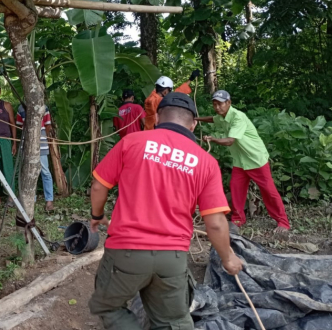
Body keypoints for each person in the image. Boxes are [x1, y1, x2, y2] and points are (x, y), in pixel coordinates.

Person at [88, 92, 243, 329]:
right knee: (173, 321)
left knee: (107, 306)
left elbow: (99, 186)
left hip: (126, 252)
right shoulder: (205, 162)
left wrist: (98, 215)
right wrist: (228, 258)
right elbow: (215, 223)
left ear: (158, 117)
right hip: (172, 259)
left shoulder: (132, 142)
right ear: (192, 124)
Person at [196, 90, 291, 234]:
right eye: (215, 104)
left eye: (220, 104)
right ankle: (238, 220)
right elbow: (213, 119)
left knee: (268, 191)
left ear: (229, 103)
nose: (217, 107)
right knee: (236, 188)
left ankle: (283, 222)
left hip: (255, 159)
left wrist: (213, 139)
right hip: (240, 161)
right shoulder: (222, 117)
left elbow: (229, 141)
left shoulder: (238, 117)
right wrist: (197, 119)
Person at [15, 104, 55, 211]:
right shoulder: (21, 108)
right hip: (27, 144)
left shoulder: (44, 107)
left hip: (41, 143)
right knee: (29, 172)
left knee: (45, 171)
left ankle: (49, 200)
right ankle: (31, 199)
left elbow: (48, 125)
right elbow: (19, 125)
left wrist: (41, 139)